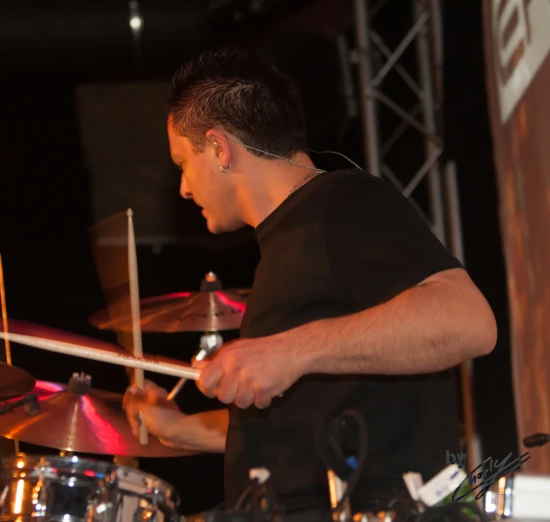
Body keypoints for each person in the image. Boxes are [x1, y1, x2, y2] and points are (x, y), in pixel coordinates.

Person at [122, 48, 497, 517]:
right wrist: (179, 430)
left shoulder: (341, 202)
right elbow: (310, 423)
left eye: (182, 163)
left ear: (219, 148)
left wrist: (291, 350)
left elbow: (469, 321)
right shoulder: (286, 245)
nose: (182, 187)